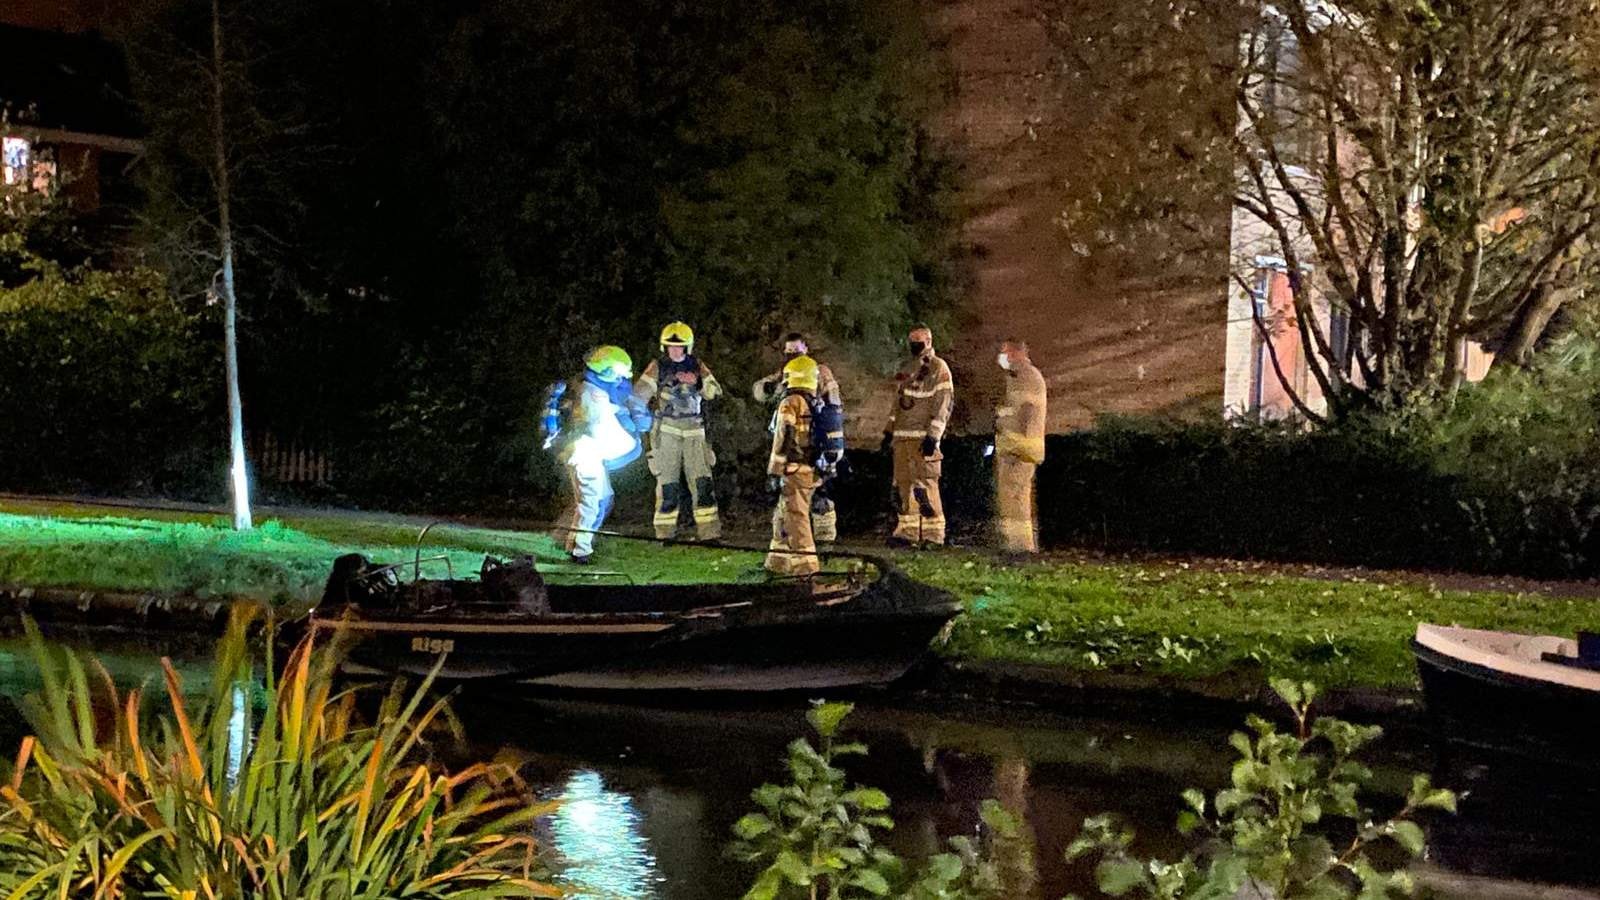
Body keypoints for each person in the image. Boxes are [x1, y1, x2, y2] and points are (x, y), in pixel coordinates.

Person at [541, 345, 652, 564]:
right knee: (592, 503)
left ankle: (569, 540)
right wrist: (633, 427)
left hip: (589, 455)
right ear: (606, 372)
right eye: (618, 374)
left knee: (602, 499)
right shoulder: (592, 396)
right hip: (585, 455)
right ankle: (580, 551)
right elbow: (602, 430)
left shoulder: (595, 391)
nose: (621, 380)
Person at [634, 321, 723, 541]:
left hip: (695, 432)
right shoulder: (658, 366)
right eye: (671, 346)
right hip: (667, 433)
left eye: (679, 346)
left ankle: (709, 533)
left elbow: (714, 391)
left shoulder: (697, 365)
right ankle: (664, 533)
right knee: (668, 486)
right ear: (665, 347)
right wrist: (641, 419)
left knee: (703, 484)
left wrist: (698, 382)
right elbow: (639, 395)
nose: (675, 350)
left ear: (687, 347)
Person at [753, 332, 844, 546]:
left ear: (806, 350)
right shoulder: (786, 372)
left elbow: (833, 404)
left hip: (812, 442)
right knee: (805, 495)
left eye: (797, 351)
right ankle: (813, 542)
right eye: (789, 352)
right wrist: (769, 387)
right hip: (803, 442)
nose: (793, 355)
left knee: (817, 495)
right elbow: (761, 391)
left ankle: (822, 540)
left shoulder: (819, 371)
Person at [882, 325, 954, 547]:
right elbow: (898, 404)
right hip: (902, 438)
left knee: (926, 485)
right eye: (911, 340)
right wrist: (888, 431)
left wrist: (934, 436)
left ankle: (933, 535)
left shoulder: (938, 368)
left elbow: (944, 404)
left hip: (922, 438)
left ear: (929, 341)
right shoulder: (908, 369)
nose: (914, 344)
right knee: (903, 485)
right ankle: (908, 532)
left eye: (918, 340)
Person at [765, 355, 826, 576]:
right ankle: (778, 562)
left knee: (796, 516)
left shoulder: (790, 402)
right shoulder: (814, 402)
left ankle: (806, 567)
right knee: (783, 514)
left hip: (793, 469)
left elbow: (783, 437)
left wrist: (774, 471)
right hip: (810, 468)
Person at [993, 339, 1047, 554]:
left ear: (1016, 353)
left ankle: (1020, 547)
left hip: (1020, 446)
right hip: (1014, 445)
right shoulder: (1016, 377)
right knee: (1011, 496)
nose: (1002, 357)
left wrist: (1015, 438)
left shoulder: (1028, 376)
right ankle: (1014, 544)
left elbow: (1026, 410)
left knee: (1015, 496)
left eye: (1005, 352)